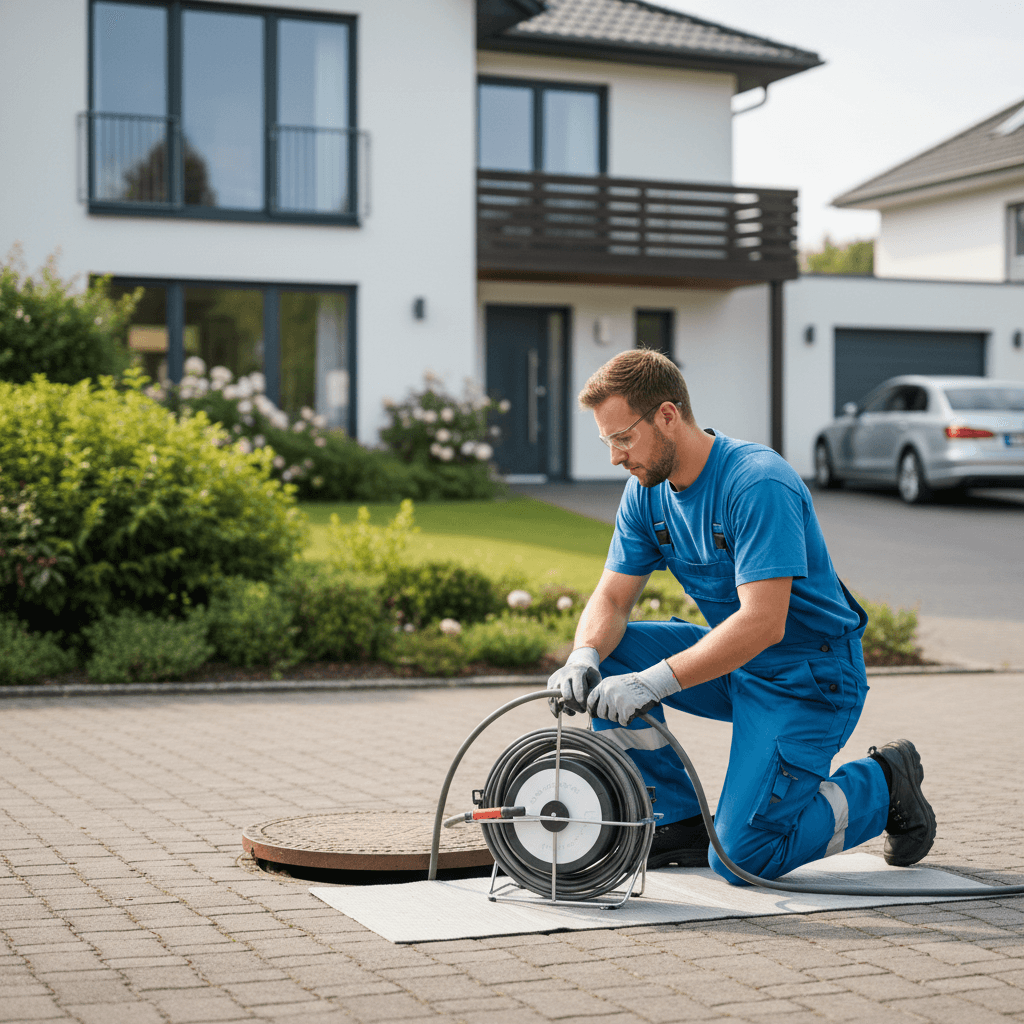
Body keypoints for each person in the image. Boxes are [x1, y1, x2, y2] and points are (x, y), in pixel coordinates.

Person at [547, 349, 936, 883]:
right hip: (739, 666)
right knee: (608, 657)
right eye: (607, 442)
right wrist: (583, 655)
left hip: (809, 678)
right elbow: (611, 600)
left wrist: (653, 682)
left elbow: (763, 622)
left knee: (743, 857)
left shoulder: (756, 483)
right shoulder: (646, 495)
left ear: (667, 415)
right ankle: (676, 819)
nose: (615, 457)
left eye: (623, 438)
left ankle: (883, 784)